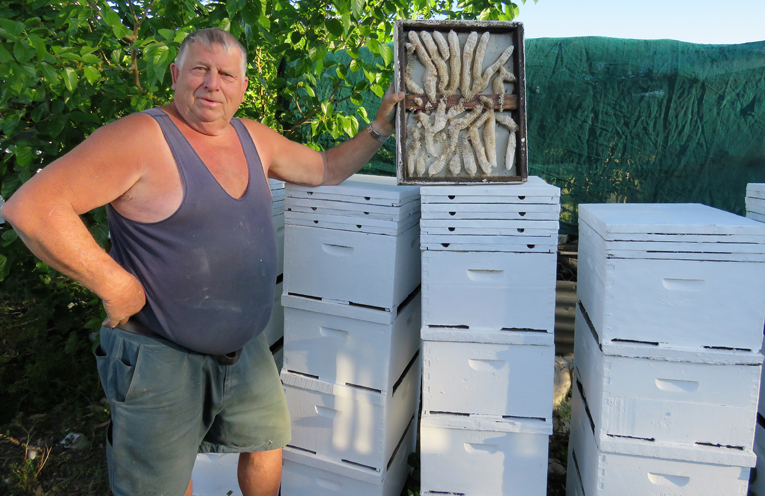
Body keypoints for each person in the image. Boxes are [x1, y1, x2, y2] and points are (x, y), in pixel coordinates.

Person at [2, 27, 404, 496]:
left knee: (267, 442)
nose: (213, 84)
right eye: (200, 69)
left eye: (226, 74)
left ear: (243, 87)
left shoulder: (253, 137)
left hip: (245, 348)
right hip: (159, 356)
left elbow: (325, 168)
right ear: (175, 75)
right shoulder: (140, 137)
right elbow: (30, 208)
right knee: (161, 483)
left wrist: (379, 129)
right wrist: (114, 284)